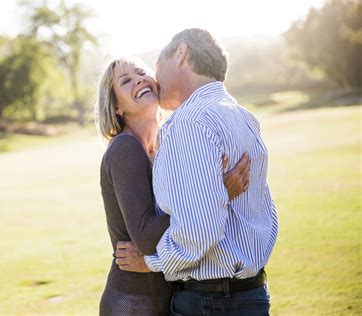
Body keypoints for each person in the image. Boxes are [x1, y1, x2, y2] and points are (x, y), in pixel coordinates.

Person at [116, 29, 279, 316]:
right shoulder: (244, 117)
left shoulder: (190, 123)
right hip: (253, 294)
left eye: (155, 68)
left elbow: (197, 231)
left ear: (181, 53)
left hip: (212, 302)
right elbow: (265, 212)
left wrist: (152, 262)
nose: (154, 80)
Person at [95, 57, 251, 315]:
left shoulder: (164, 144)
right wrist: (215, 193)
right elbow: (145, 237)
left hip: (167, 293)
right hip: (135, 302)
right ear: (116, 107)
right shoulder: (126, 148)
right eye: (125, 81)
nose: (139, 80)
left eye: (141, 73)